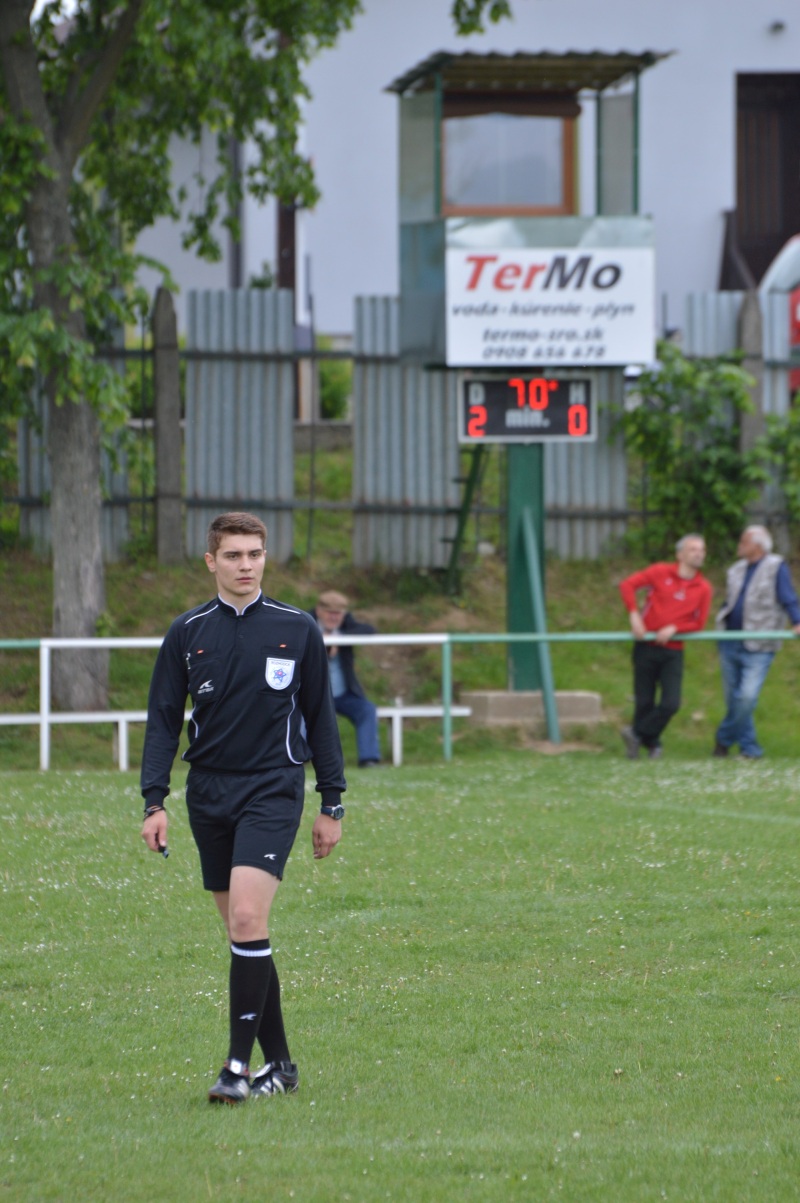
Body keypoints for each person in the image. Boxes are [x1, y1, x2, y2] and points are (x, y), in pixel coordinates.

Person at [140, 512, 346, 1105]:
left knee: (249, 919)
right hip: (208, 793)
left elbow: (321, 717)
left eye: (254, 554)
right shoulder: (187, 631)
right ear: (212, 561)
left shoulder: (297, 628)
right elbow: (162, 720)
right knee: (243, 931)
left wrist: (332, 801)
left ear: (264, 558)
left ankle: (236, 1068)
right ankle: (280, 1066)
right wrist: (154, 800)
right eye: (233, 555)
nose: (246, 565)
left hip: (273, 788)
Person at [618, 534, 712, 759]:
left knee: (671, 703)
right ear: (680, 554)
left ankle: (636, 734)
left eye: (702, 550)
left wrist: (675, 628)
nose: (699, 554)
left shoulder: (703, 588)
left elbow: (698, 623)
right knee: (644, 701)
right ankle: (649, 746)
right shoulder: (660, 572)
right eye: (693, 549)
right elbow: (627, 585)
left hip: (673, 651)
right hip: (646, 646)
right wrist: (634, 615)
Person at [713, 524, 800, 759]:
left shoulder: (776, 566)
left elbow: (788, 597)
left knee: (747, 697)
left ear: (758, 546)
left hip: (759, 644)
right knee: (733, 700)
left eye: (744, 542)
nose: (740, 545)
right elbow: (730, 602)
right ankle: (748, 749)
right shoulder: (735, 569)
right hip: (729, 641)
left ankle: (724, 738)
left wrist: (797, 621)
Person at [310, 589, 381, 767]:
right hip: (312, 694)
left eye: (338, 614)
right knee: (298, 713)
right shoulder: (306, 623)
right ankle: (299, 758)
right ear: (319, 611)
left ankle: (369, 759)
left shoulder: (346, 626)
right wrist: (322, 644)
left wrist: (339, 639)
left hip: (343, 695)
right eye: (330, 613)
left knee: (367, 710)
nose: (334, 618)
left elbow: (369, 630)